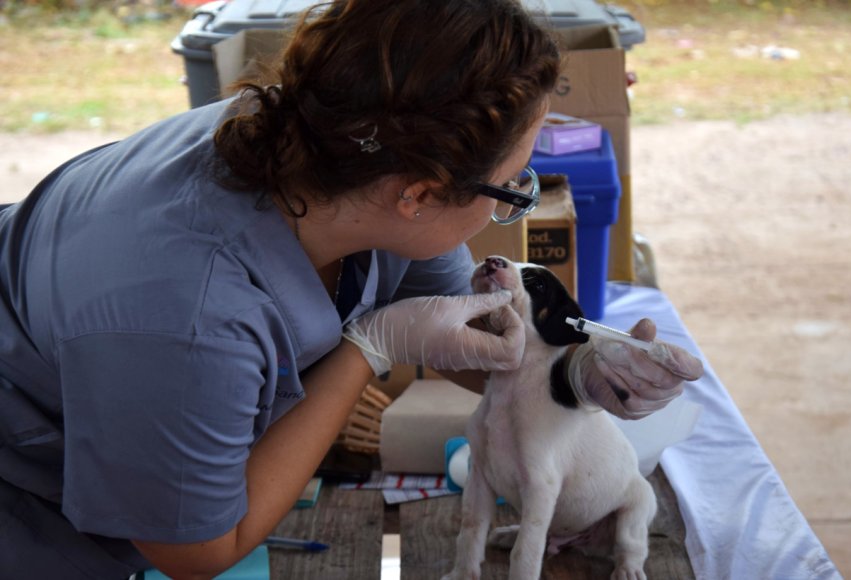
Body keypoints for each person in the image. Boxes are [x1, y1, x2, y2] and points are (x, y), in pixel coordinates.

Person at [0, 0, 702, 577]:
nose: (506, 207)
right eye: (508, 189)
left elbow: (473, 342)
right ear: (420, 194)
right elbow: (194, 547)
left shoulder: (334, 150)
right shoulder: (183, 314)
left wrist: (579, 374)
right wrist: (367, 350)